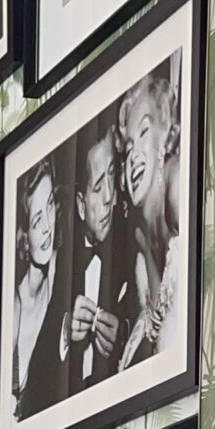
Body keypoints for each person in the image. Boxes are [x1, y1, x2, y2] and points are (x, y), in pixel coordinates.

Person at [62, 115, 132, 393]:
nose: (109, 198)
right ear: (81, 205)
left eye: (112, 175)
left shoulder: (129, 246)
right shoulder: (60, 261)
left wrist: (123, 334)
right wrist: (65, 332)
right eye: (98, 186)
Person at [118, 63, 182, 369]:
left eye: (143, 132)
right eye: (128, 147)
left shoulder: (177, 183)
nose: (133, 156)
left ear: (166, 131)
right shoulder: (138, 235)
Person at [13, 157, 68, 422]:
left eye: (50, 206)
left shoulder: (61, 273)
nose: (47, 226)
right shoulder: (15, 306)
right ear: (24, 236)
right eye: (36, 221)